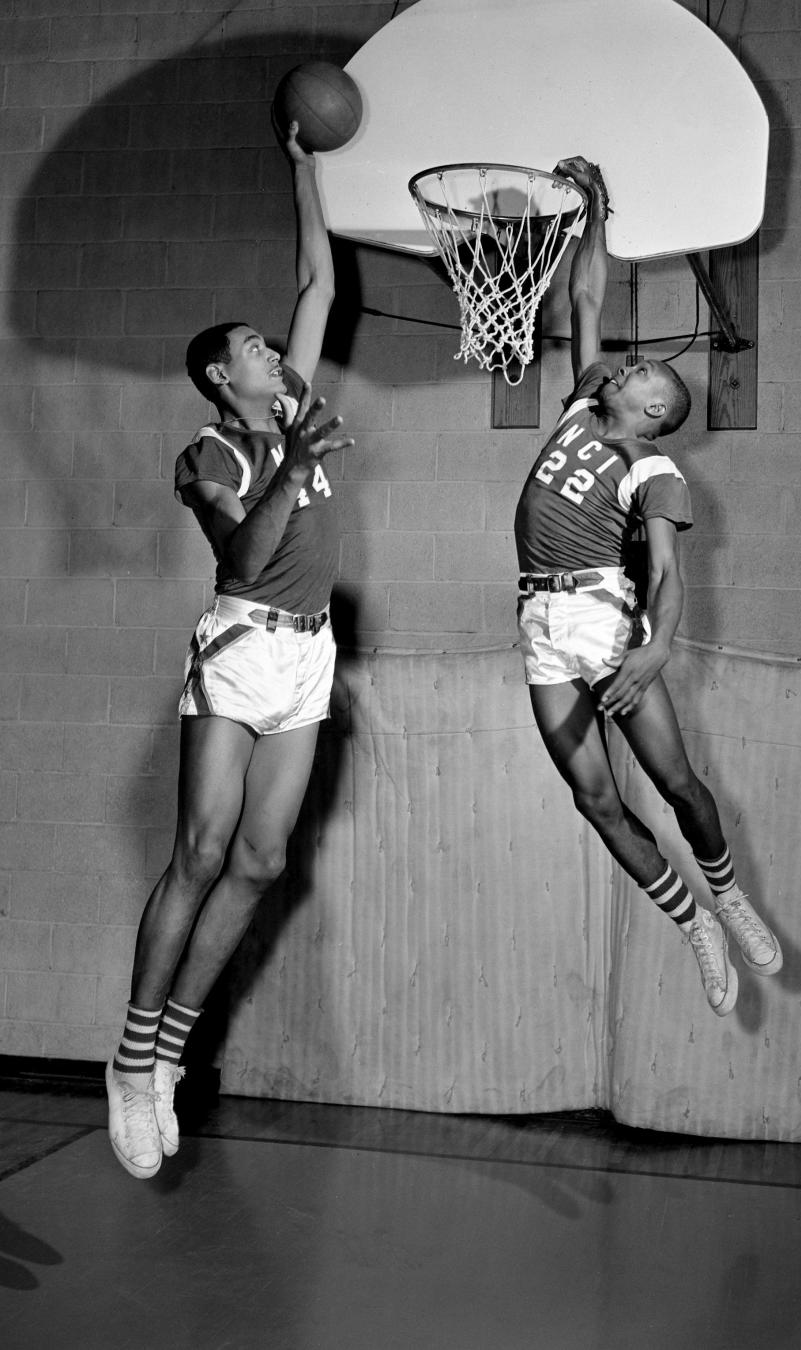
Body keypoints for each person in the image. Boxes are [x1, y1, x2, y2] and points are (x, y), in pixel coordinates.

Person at [105, 122, 353, 1179]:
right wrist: (290, 471)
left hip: (312, 655)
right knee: (200, 855)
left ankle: (171, 1055)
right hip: (243, 648)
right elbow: (242, 561)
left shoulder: (294, 405)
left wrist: (306, 166)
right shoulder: (207, 453)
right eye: (251, 346)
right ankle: (126, 1062)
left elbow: (318, 281)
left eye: (269, 345)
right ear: (219, 373)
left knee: (261, 862)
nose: (271, 352)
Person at [513, 155, 782, 1019]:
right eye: (624, 371)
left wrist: (657, 645)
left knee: (676, 785)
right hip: (540, 622)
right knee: (597, 799)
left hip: (602, 622)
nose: (623, 371)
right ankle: (694, 923)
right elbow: (586, 303)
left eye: (640, 379)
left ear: (658, 410)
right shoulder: (583, 403)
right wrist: (594, 210)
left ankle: (728, 893)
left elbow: (666, 574)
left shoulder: (655, 467)